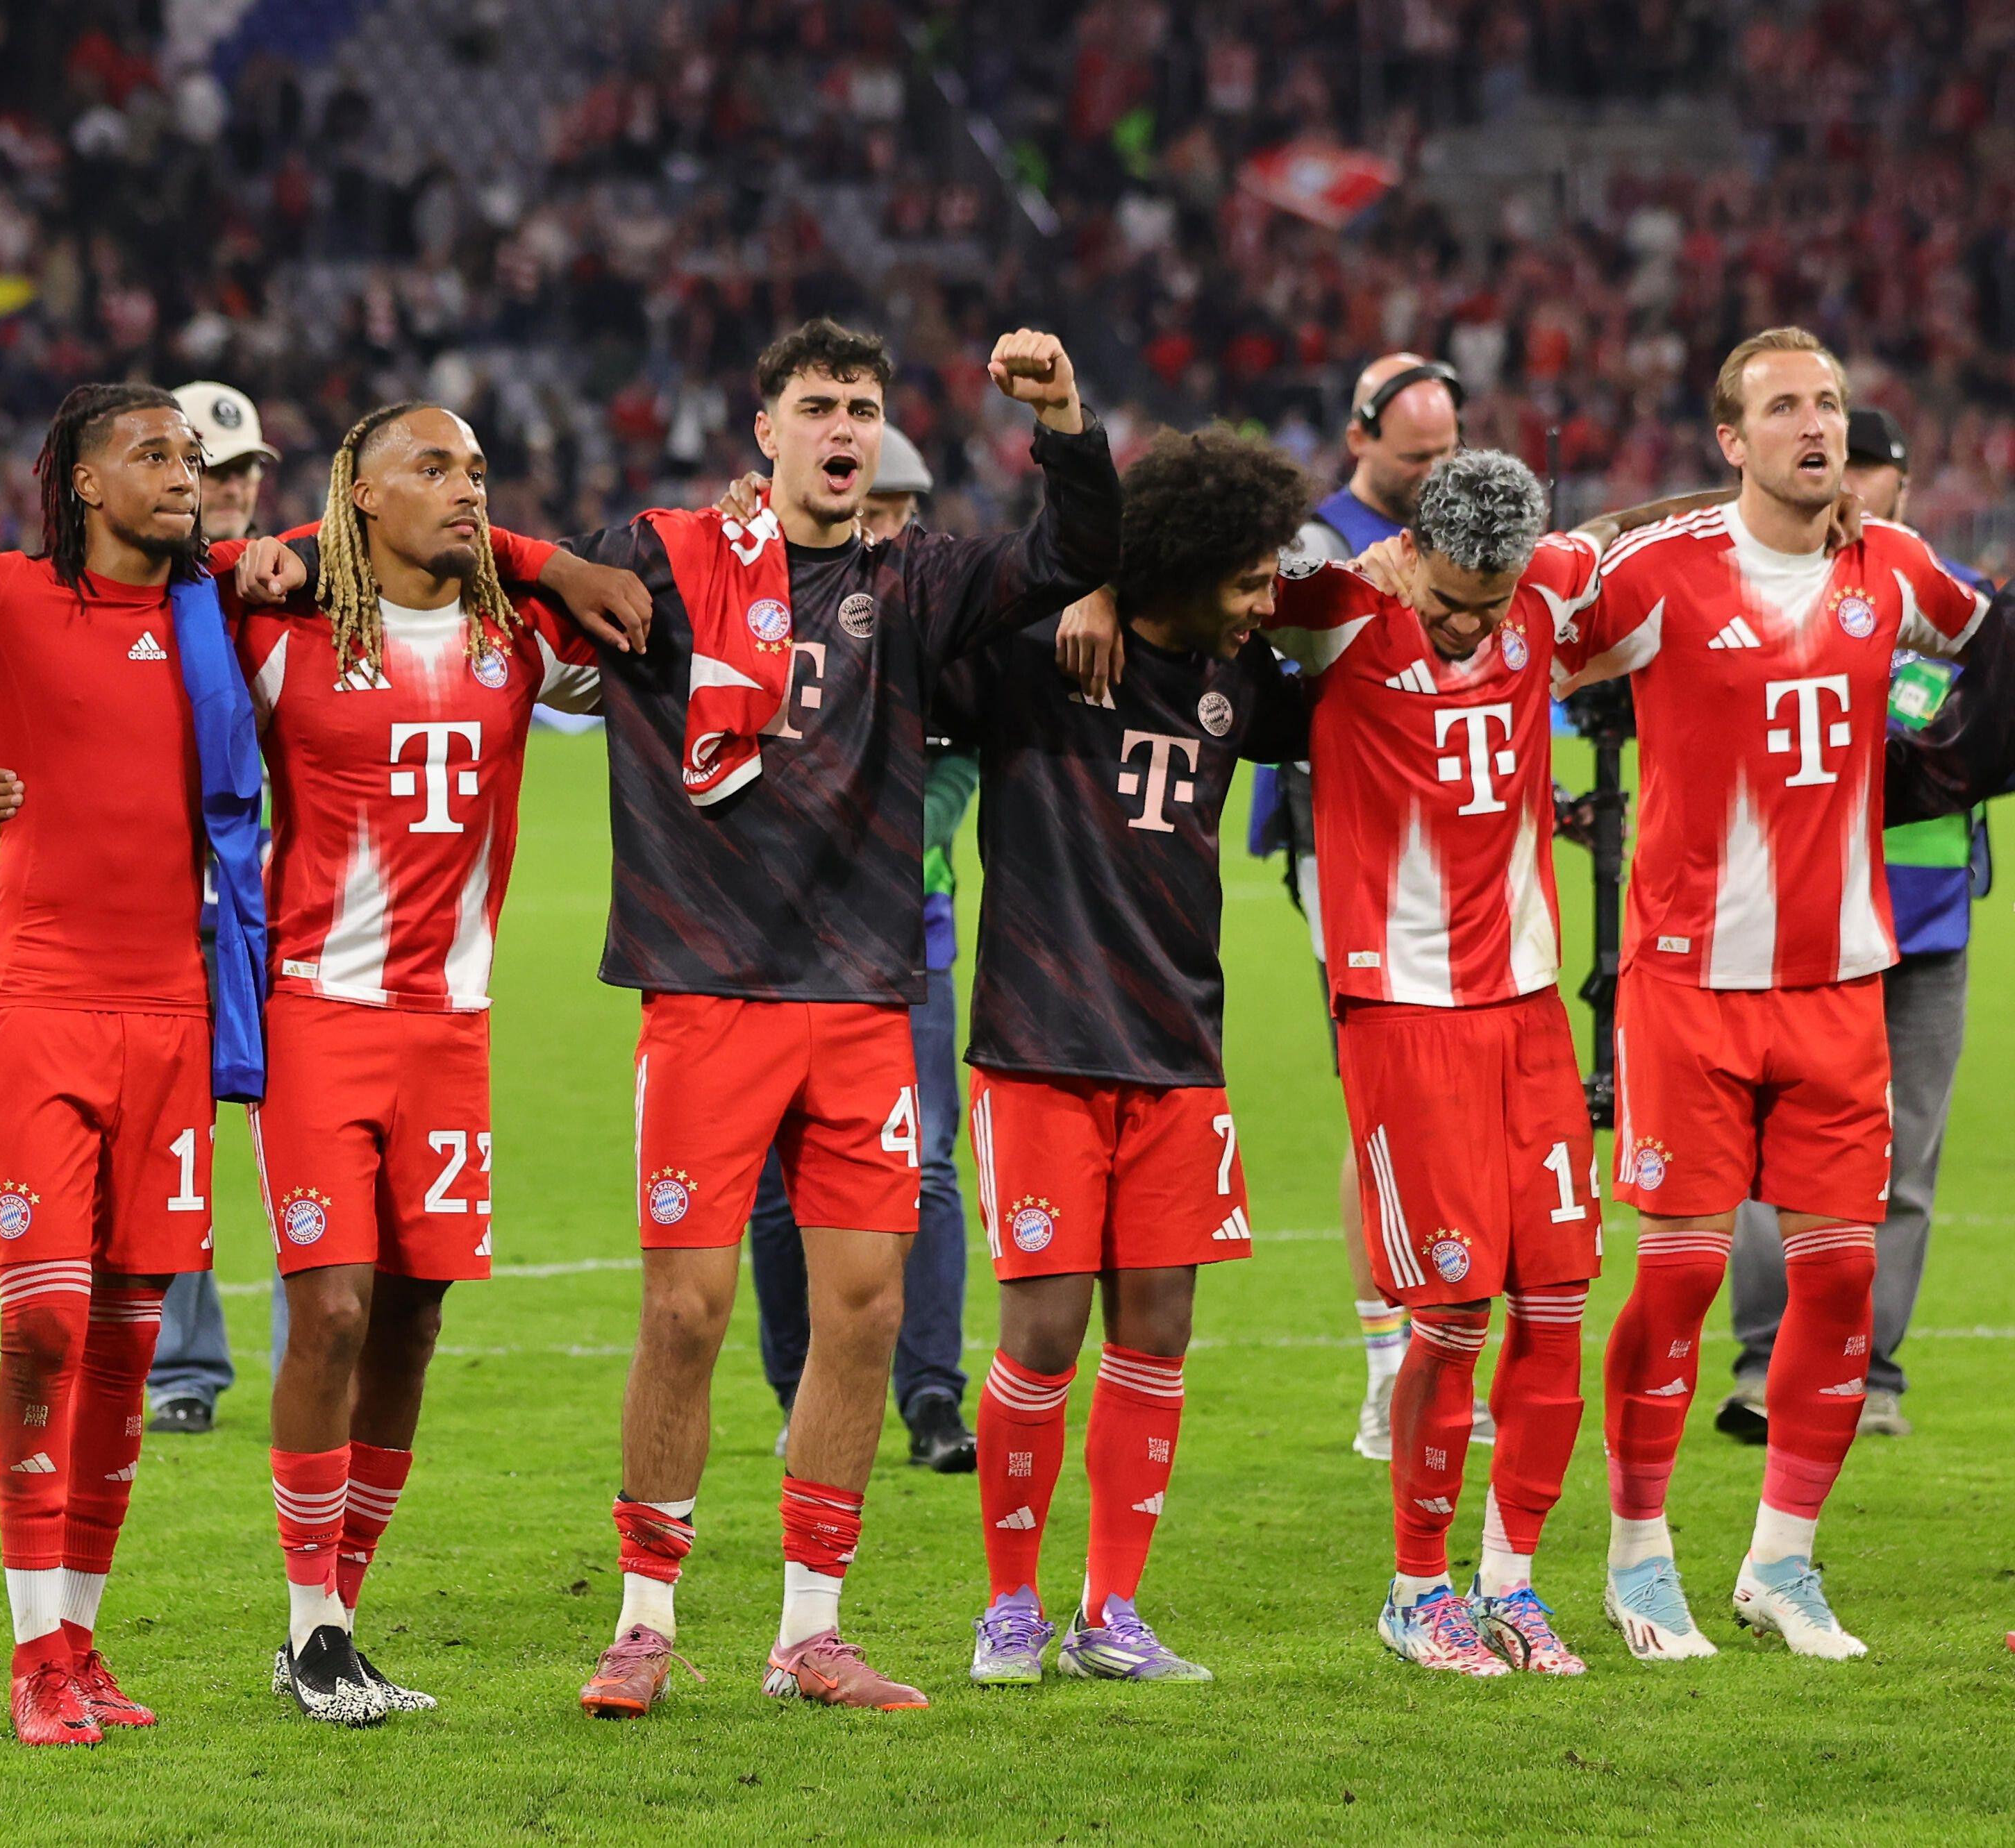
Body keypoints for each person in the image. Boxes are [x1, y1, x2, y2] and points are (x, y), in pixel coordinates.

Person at [565, 318, 1122, 1718]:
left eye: (864, 408)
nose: (845, 428)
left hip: (863, 999)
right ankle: (643, 1619)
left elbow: (1066, 557)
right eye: (819, 404)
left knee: (866, 1310)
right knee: (685, 1311)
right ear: (766, 429)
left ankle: (810, 1629)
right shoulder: (663, 557)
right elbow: (527, 604)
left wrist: (1062, 413)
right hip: (707, 995)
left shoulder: (914, 579)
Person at [1562, 328, 1990, 1662]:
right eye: (1786, 407)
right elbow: (1525, 631)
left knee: (1843, 1278)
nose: (1819, 425)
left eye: (1833, 404)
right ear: (1730, 441)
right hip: (1691, 984)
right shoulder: (1663, 574)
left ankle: (1782, 1563)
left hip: (1840, 986)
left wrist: (1957, 761)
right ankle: (1639, 1557)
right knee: (1681, 1282)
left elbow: (1993, 639)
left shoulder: (1895, 568)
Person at [240, 405, 612, 1723]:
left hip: (454, 1027)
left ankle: (334, 1620)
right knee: (331, 1303)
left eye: (479, 471)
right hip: (316, 1013)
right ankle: (310, 1619)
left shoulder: (519, 637)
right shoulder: (276, 631)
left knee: (414, 1314)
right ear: (359, 489)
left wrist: (554, 560)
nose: (466, 490)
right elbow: (136, 650)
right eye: (436, 468)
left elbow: (645, 616)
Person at [955, 430, 1308, 1689]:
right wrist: (1086, 586)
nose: (1271, 598)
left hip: (1178, 1049)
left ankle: (1112, 1610)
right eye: (1249, 577)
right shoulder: (1042, 659)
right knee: (1043, 1331)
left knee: (1158, 1328)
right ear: (1184, 564)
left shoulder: (1246, 677)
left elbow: (1364, 618)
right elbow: (939, 626)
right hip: (1043, 1043)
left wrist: (1133, 587)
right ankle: (1010, 1605)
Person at [1268, 454, 1610, 1677]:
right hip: (1403, 1008)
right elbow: (1203, 584)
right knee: (1456, 1303)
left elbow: (1632, 538)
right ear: (1408, 548)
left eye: (1494, 598)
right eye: (1454, 596)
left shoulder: (1548, 590)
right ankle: (1417, 1589)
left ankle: (1512, 1583)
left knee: (1561, 1296)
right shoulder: (1337, 610)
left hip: (1528, 1010)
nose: (1474, 622)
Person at [1716, 406, 1998, 1445]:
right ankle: (1762, 1359)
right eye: (1847, 469)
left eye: (1876, 473)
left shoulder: (1945, 602)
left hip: (1924, 920)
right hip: (1796, 915)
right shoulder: (1778, 597)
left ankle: (1871, 1370)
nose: (1857, 488)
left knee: (1905, 1160)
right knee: (1766, 1148)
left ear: (1902, 493)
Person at [742, 423, 976, 1472]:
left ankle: (930, 1393)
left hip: (906, 933)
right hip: (772, 935)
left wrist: (886, 839)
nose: (874, 528)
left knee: (925, 1166)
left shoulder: (932, 614)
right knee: (775, 1176)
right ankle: (800, 1387)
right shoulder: (764, 600)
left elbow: (960, 760)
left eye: (891, 512)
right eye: (865, 507)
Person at [1267, 354, 1472, 1463]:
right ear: (1362, 441)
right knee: (1378, 1095)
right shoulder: (1318, 545)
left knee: (1449, 1095)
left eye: (1447, 450)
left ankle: (1432, 1346)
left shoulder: (1465, 531)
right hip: (1345, 845)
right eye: (1416, 455)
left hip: (1458, 850)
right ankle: (1385, 1359)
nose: (1435, 470)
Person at [144, 378, 283, 1438]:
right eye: (209, 467)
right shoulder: (125, 597)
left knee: (300, 1133)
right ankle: (184, 1364)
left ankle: (307, 1355)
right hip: (156, 909)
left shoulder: (297, 591)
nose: (230, 489)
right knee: (170, 1143)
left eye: (243, 471)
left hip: (282, 906)